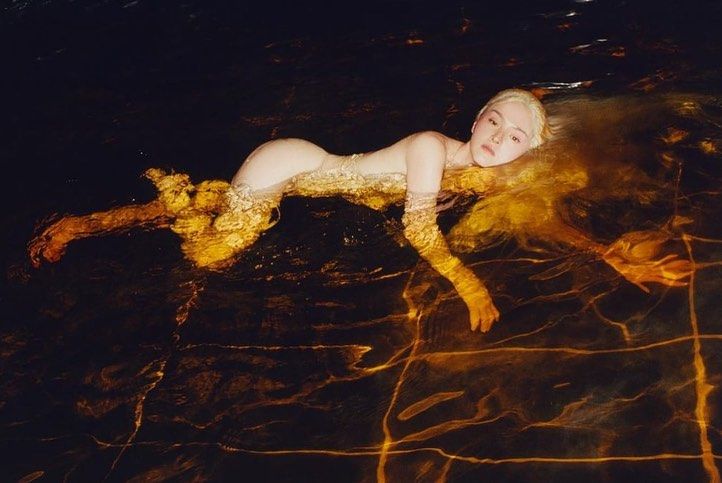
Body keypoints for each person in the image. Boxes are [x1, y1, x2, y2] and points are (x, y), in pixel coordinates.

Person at [28, 89, 691, 333]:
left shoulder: (482, 173)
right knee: (207, 251)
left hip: (309, 179)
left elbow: (532, 214)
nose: (498, 137)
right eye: (494, 121)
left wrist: (603, 252)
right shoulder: (431, 149)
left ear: (526, 150)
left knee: (213, 205)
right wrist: (467, 283)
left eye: (515, 135)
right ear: (476, 118)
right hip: (289, 165)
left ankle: (117, 213)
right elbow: (417, 225)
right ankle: (136, 206)